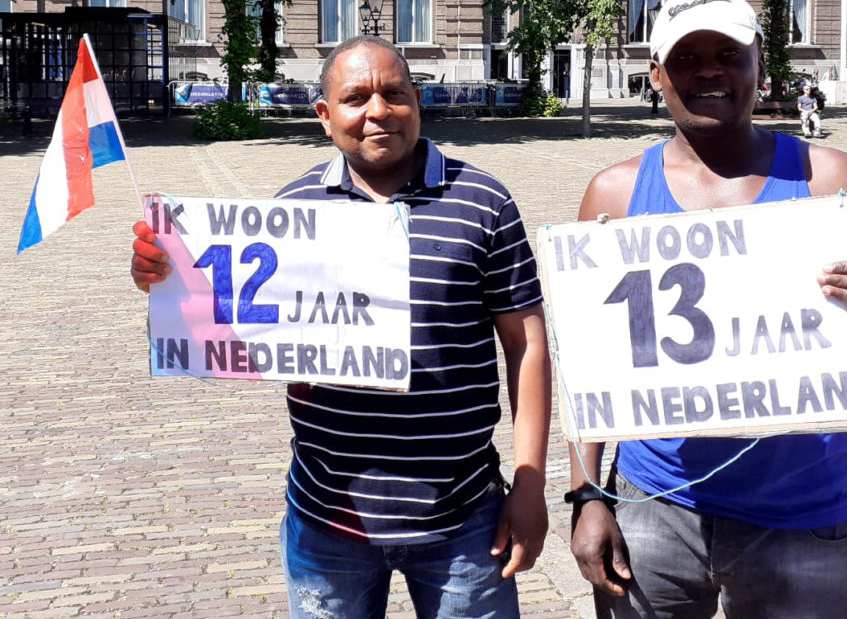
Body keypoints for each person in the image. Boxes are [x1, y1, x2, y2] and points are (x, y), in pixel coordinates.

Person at [130, 35, 552, 617]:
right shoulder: (291, 211)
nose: (378, 111)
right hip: (328, 516)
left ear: (417, 100)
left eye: (394, 94)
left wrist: (532, 482)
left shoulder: (483, 201)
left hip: (463, 515)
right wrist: (166, 277)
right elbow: (231, 324)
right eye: (356, 98)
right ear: (326, 116)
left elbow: (526, 345)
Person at [566, 0, 847, 618]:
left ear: (760, 65)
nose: (708, 69)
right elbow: (588, 375)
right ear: (656, 74)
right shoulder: (615, 193)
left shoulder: (833, 180)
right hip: (656, 503)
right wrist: (587, 495)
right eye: (686, 58)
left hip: (801, 511)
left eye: (728, 54)